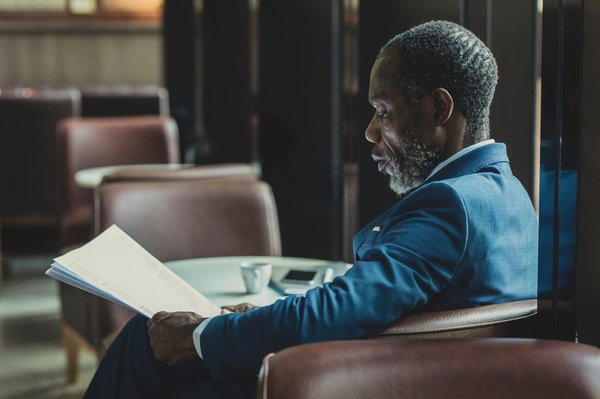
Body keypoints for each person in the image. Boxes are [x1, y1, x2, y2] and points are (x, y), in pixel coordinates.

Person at [84, 20, 538, 399]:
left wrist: (197, 336)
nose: (370, 133)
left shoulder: (449, 204)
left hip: (361, 381)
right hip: (419, 375)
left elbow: (341, 309)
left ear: (439, 107)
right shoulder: (508, 194)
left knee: (142, 342)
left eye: (383, 111)